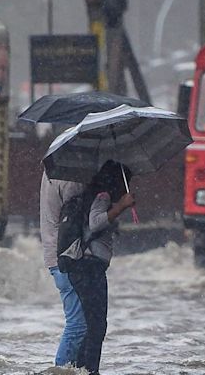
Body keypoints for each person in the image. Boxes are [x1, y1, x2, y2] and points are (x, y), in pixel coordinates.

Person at [68, 160, 135, 375]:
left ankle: (78, 369)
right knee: (97, 326)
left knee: (93, 324)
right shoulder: (103, 195)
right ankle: (89, 371)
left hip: (86, 268)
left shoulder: (96, 195)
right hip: (89, 268)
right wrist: (121, 206)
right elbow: (96, 222)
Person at [40, 170, 87, 366]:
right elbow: (77, 211)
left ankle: (71, 368)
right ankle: (60, 369)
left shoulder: (50, 173)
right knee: (77, 325)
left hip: (55, 255)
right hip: (65, 256)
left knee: (79, 324)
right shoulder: (69, 179)